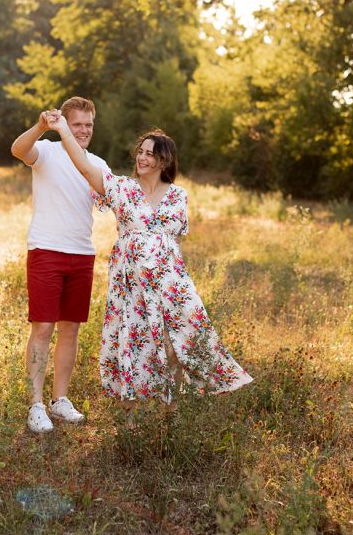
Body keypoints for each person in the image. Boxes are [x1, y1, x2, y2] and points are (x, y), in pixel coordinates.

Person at [45, 113, 253, 411]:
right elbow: (85, 167)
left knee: (177, 338)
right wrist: (64, 130)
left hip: (171, 282)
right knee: (133, 337)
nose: (141, 158)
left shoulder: (178, 196)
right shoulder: (122, 189)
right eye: (140, 152)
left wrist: (176, 280)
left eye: (149, 154)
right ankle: (130, 415)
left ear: (164, 161)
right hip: (130, 282)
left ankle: (171, 409)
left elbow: (176, 243)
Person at [11, 97, 107, 434]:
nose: (83, 131)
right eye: (77, 124)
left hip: (82, 254)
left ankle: (59, 400)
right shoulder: (48, 151)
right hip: (47, 250)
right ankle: (36, 404)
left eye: (88, 126)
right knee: (42, 328)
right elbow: (18, 150)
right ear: (64, 123)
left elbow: (113, 198)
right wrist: (40, 126)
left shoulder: (96, 164)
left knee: (71, 328)